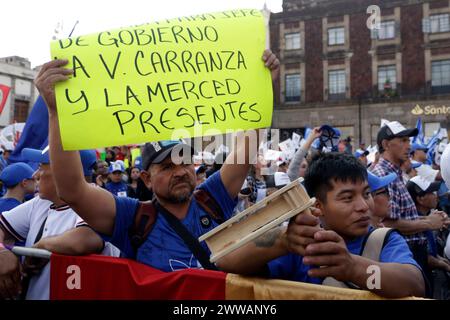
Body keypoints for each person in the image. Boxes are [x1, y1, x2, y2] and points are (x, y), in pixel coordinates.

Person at [35, 49, 280, 272]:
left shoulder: (212, 198)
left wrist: (262, 88)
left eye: (185, 162)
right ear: (146, 178)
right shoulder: (132, 218)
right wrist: (56, 113)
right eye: (167, 166)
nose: (181, 171)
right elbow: (72, 190)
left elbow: (244, 151)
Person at [218, 153, 425, 298]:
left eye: (366, 194)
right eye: (347, 198)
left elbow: (414, 285)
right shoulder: (301, 244)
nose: (363, 206)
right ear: (318, 205)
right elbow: (226, 261)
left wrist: (353, 268)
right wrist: (283, 241)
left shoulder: (383, 240)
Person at [0, 147, 107, 300]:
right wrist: (2, 252)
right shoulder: (41, 202)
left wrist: (40, 246)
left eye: (41, 167)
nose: (35, 175)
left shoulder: (100, 200)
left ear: (64, 172)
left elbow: (84, 239)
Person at [371, 121, 446, 277]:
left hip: (412, 254)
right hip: (400, 256)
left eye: (409, 141)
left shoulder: (396, 173)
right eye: (403, 140)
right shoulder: (382, 175)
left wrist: (431, 219)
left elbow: (402, 217)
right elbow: (386, 223)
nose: (409, 146)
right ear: (386, 144)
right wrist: (427, 223)